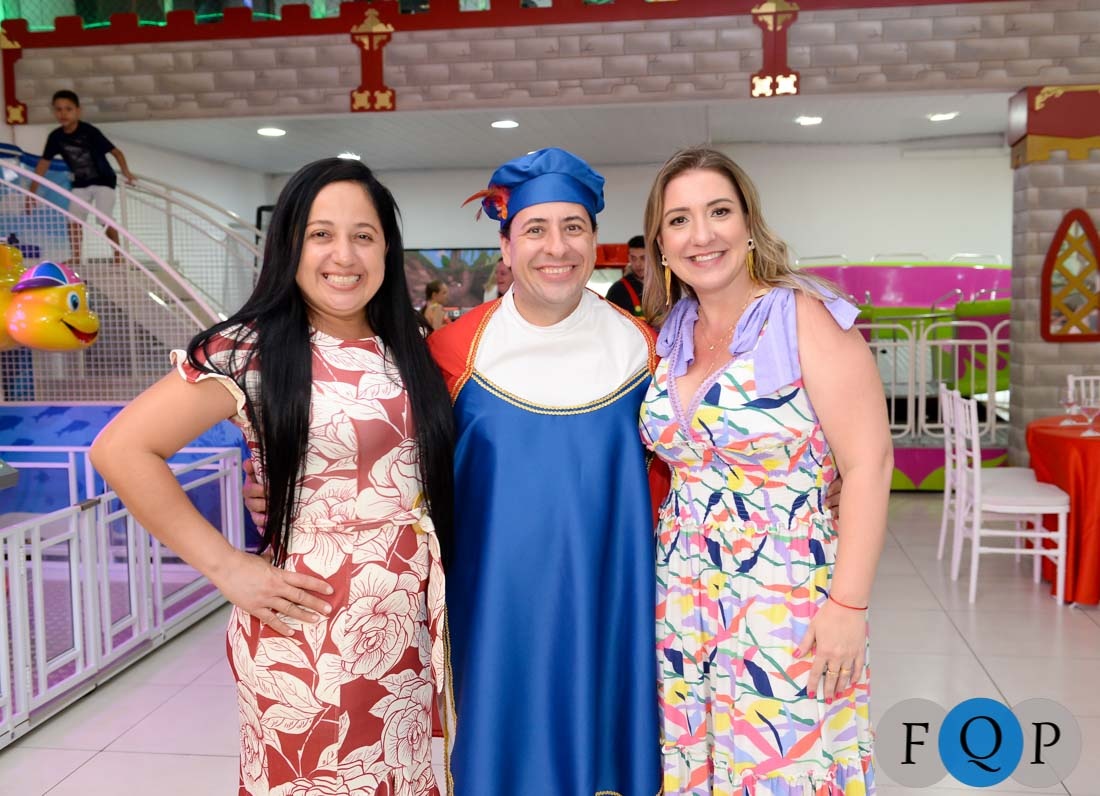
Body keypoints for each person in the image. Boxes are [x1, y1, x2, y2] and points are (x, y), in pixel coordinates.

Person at [90, 158, 455, 795]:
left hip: (411, 625)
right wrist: (227, 567)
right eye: (321, 234)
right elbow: (122, 450)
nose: (344, 256)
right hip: (308, 624)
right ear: (289, 243)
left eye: (363, 236)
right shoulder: (248, 349)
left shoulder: (410, 343)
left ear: (387, 249)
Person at [638, 147, 892, 794]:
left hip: (785, 589)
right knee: (697, 761)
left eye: (719, 212)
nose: (702, 234)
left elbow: (868, 462)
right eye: (679, 220)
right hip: (683, 592)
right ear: (661, 244)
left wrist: (848, 604)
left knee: (784, 762)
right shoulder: (672, 332)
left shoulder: (803, 315)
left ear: (749, 224)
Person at [430, 147, 661, 795]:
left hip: (610, 606)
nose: (556, 247)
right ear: (506, 246)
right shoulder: (451, 353)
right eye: (535, 229)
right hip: (494, 615)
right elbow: (398, 468)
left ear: (594, 241)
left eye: (573, 227)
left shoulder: (644, 350)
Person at [26, 90, 136, 263]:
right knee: (73, 218)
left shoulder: (89, 132)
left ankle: (118, 255)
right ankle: (76, 257)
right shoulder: (56, 137)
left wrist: (126, 173)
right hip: (80, 183)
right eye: (59, 109)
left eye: (68, 109)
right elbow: (43, 163)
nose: (63, 113)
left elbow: (117, 152)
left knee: (103, 218)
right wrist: (31, 192)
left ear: (78, 111)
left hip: (103, 180)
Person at [604, 233, 647, 317]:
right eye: (633, 258)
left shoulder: (664, 287)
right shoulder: (617, 290)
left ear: (653, 258)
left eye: (643, 258)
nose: (638, 264)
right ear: (628, 257)